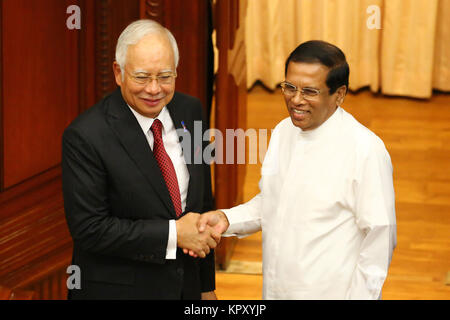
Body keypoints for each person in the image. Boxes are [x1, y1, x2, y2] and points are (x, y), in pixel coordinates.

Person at [195, 40, 397, 299]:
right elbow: (274, 201)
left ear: (339, 94)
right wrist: (228, 219)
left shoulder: (366, 150)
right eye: (289, 87)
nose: (295, 100)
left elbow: (380, 239)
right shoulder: (282, 131)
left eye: (310, 91)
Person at [62, 19, 219, 300]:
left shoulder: (191, 110)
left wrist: (206, 287)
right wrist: (174, 234)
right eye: (142, 77)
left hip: (186, 288)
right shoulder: (86, 135)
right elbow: (90, 229)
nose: (154, 89)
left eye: (165, 76)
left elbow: (202, 204)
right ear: (118, 73)